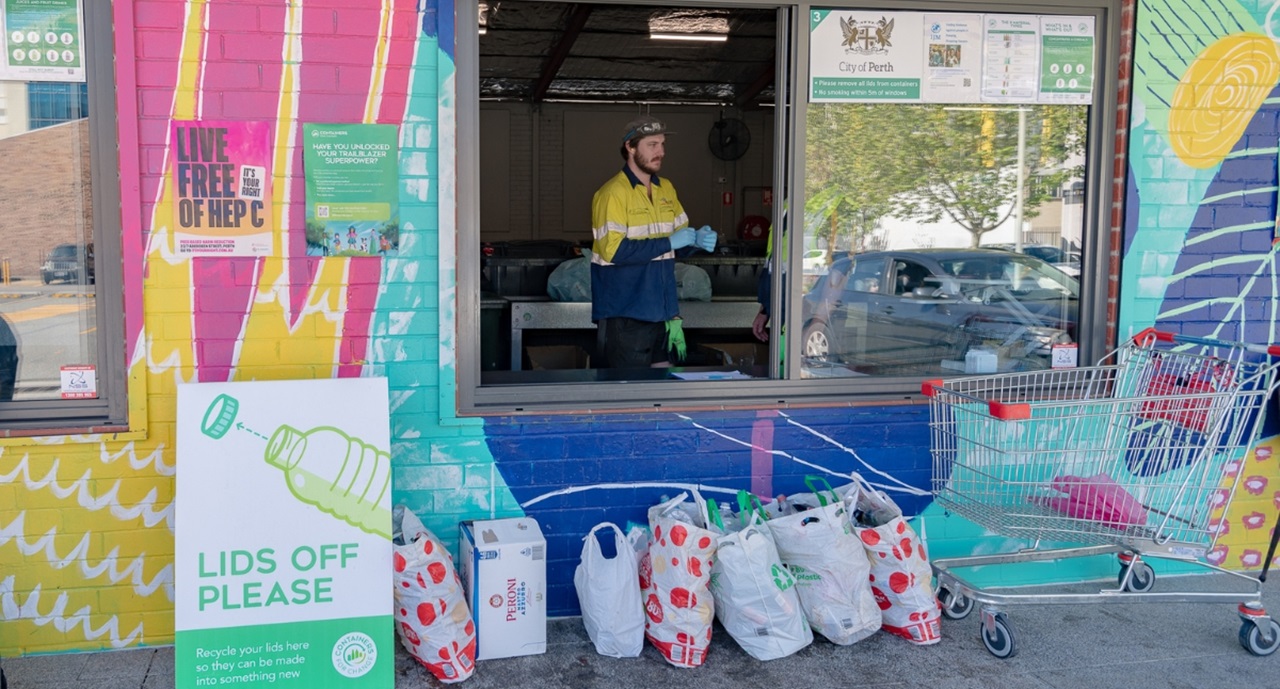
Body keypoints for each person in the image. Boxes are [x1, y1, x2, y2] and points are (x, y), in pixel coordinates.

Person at [590, 115, 717, 368]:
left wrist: (697, 241)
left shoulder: (666, 189)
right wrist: (669, 242)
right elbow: (612, 251)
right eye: (652, 145)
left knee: (663, 386)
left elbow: (678, 240)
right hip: (626, 312)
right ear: (631, 147)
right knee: (631, 392)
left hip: (663, 310)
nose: (661, 152)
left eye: (662, 144)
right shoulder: (612, 194)